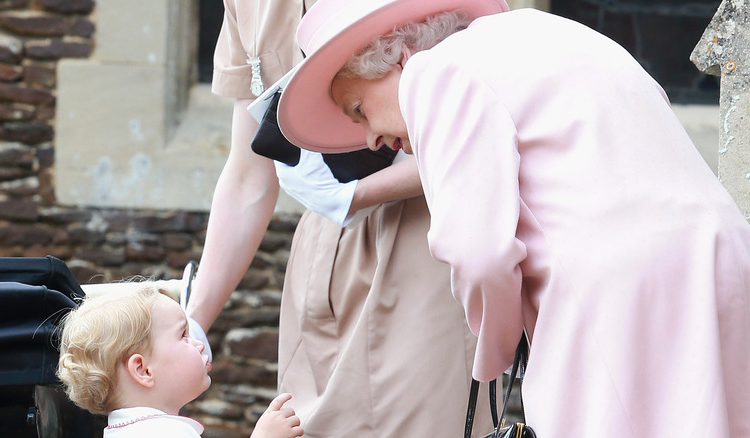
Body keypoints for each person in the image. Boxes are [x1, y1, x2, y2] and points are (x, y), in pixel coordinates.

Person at [276, 0, 750, 436]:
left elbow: (477, 251)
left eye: (359, 110)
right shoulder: (552, 33)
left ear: (398, 55)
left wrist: (498, 352)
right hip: (723, 259)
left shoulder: (435, 72)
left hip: (616, 298)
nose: (371, 140)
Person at [183, 0, 493, 436]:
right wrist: (193, 321)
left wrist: (354, 194)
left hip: (424, 239)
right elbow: (248, 173)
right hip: (318, 249)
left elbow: (479, 117)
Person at [57, 287, 304, 438]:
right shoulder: (160, 434)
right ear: (143, 370)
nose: (197, 343)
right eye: (183, 335)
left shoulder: (127, 430)